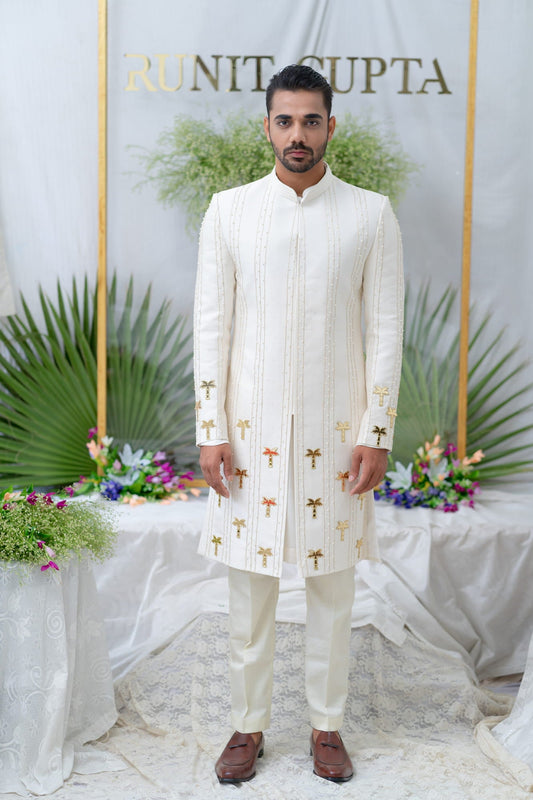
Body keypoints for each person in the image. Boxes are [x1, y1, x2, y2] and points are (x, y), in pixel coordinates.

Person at [193, 64, 404, 784]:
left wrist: (376, 431)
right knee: (248, 592)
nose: (297, 134)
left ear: (329, 127)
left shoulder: (369, 213)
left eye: (310, 120)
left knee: (332, 591)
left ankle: (326, 725)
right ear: (266, 127)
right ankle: (247, 727)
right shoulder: (228, 211)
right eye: (284, 120)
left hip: (334, 435)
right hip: (249, 435)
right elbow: (210, 326)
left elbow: (384, 329)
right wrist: (210, 427)